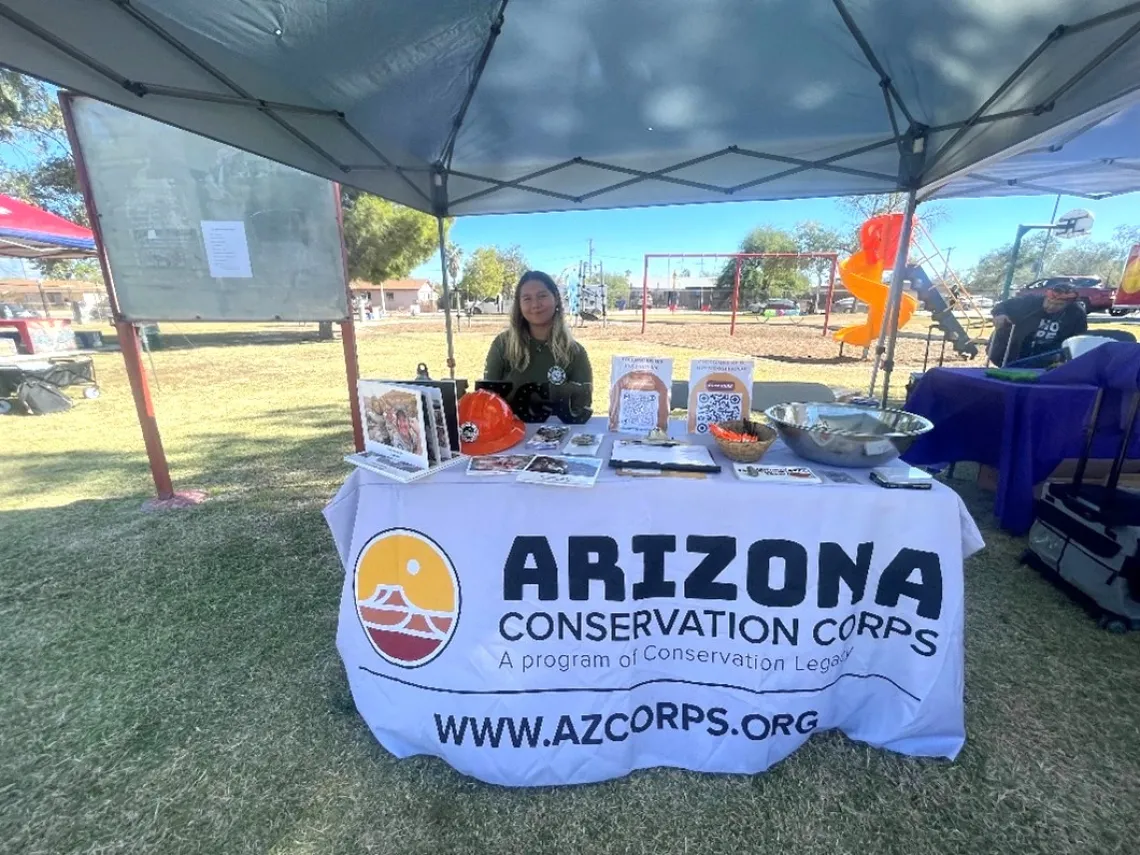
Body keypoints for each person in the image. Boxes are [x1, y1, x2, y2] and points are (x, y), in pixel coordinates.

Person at [484, 270, 593, 389]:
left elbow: (582, 405)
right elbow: (487, 398)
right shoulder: (502, 345)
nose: (535, 304)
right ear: (519, 305)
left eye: (542, 296)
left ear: (556, 299)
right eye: (527, 298)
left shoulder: (575, 353)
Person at [990, 281, 1088, 366]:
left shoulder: (1077, 313)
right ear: (1046, 296)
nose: (1050, 306)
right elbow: (1002, 306)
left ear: (1068, 304)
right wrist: (1000, 314)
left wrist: (1063, 357)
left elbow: (1077, 339)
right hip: (1013, 351)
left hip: (1047, 357)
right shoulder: (1030, 301)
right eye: (1049, 302)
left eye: (1058, 305)